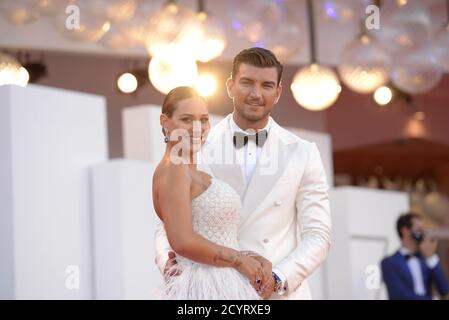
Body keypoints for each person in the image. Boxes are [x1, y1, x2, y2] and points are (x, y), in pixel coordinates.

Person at [154, 47, 332, 300]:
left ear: (278, 92)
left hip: (278, 294)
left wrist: (278, 278)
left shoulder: (303, 153)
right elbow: (167, 222)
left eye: (267, 85)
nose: (256, 94)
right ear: (230, 86)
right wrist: (166, 262)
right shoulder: (197, 144)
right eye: (247, 83)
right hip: (213, 291)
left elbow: (318, 235)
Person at [152, 86, 264, 299]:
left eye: (203, 119)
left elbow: (216, 236)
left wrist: (253, 259)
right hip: (205, 288)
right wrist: (240, 260)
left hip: (227, 284)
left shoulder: (193, 171)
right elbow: (182, 241)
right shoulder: (173, 168)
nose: (197, 128)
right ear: (164, 122)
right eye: (186, 119)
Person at [381, 212, 449, 300]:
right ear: (405, 231)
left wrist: (431, 257)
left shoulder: (426, 259)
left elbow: (444, 289)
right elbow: (400, 295)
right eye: (419, 229)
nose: (422, 233)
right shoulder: (389, 263)